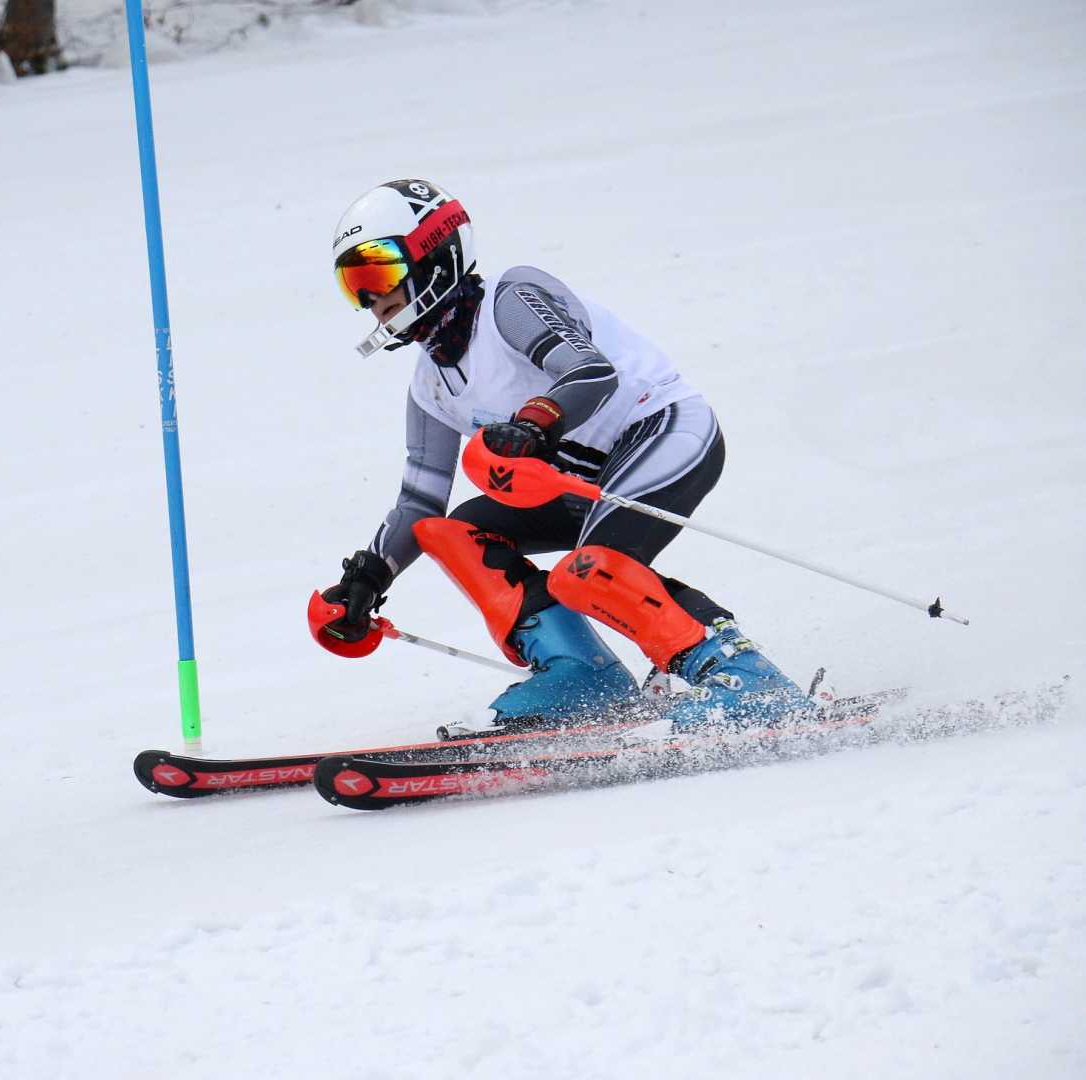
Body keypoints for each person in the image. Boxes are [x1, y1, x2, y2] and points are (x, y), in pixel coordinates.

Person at [306, 178, 807, 730]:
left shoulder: (508, 301)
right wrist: (368, 579)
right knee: (450, 532)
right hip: (581, 482)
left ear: (436, 255)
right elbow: (420, 499)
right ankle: (582, 676)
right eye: (354, 286)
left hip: (661, 430)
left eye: (378, 272)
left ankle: (745, 678)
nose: (372, 300)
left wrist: (533, 422)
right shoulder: (431, 384)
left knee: (591, 572)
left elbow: (591, 372)